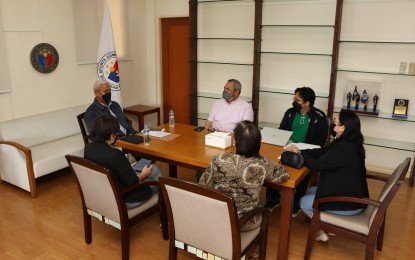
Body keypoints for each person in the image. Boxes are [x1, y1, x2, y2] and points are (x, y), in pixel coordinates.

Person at [286, 110, 369, 242]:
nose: (334, 121)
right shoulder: (348, 142)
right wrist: (300, 151)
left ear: (343, 127)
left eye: (337, 121)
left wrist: (299, 158)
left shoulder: (344, 148)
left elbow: (318, 164)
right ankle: (324, 225)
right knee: (312, 190)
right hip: (353, 194)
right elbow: (323, 151)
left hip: (350, 203)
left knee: (304, 202)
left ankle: (326, 227)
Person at [199, 121, 290, 232]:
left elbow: (202, 185)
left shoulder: (218, 159)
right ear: (258, 143)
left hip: (219, 216)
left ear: (235, 141)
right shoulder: (262, 164)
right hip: (246, 221)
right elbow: (284, 175)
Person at [265, 87, 328, 216]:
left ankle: (297, 200)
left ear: (306, 103)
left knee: (302, 168)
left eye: (297, 100)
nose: (294, 101)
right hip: (287, 146)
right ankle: (274, 198)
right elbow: (281, 131)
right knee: (272, 164)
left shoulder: (319, 116)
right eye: (294, 98)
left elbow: (320, 143)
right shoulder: (290, 112)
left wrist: (301, 150)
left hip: (306, 150)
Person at [84, 114, 163, 209]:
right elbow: (133, 181)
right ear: (112, 135)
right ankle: (165, 203)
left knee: (151, 170)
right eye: (116, 134)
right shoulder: (115, 154)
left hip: (103, 194)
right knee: (154, 172)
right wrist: (144, 174)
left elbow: (110, 166)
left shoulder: (88, 148)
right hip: (124, 199)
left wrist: (127, 166)